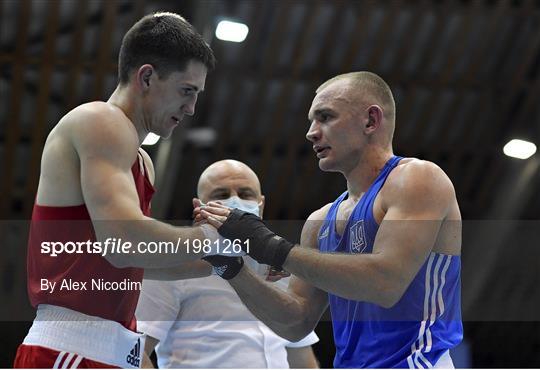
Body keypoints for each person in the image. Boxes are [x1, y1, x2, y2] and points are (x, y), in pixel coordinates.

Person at [197, 72, 463, 368]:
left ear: (371, 121)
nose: (311, 132)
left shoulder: (417, 179)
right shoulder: (319, 221)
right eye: (311, 120)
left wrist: (269, 246)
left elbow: (386, 283)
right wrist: (232, 269)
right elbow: (296, 323)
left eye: (325, 117)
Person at [14, 12, 226, 368]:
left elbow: (136, 261)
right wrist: (216, 237)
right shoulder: (101, 120)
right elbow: (123, 241)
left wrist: (233, 261)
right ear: (146, 76)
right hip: (69, 350)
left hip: (112, 352)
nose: (191, 109)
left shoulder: (142, 162)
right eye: (186, 91)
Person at [136, 159, 320, 368]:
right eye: (221, 195)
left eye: (245, 194)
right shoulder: (172, 268)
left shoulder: (282, 268)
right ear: (199, 206)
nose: (235, 201)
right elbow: (136, 353)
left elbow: (303, 360)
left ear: (261, 204)